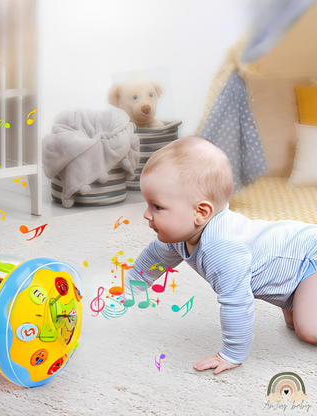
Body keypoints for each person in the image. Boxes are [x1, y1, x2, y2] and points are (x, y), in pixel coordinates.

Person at [125, 136, 317, 374]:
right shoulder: (179, 236)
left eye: (157, 206)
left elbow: (237, 303)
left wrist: (232, 353)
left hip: (310, 256)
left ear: (201, 212)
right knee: (292, 321)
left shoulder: (222, 248)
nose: (146, 214)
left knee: (308, 329)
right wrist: (128, 292)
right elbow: (152, 260)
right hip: (294, 266)